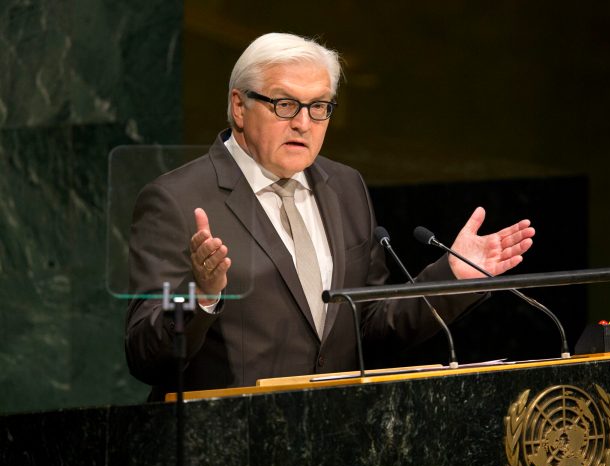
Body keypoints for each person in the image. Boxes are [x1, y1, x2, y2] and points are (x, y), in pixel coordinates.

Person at [125, 33, 535, 401]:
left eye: (318, 106)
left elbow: (370, 326)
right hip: (228, 451)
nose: (303, 123)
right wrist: (202, 296)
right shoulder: (176, 200)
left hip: (334, 446)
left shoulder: (344, 186)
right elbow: (146, 357)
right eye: (285, 104)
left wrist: (454, 276)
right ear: (239, 106)